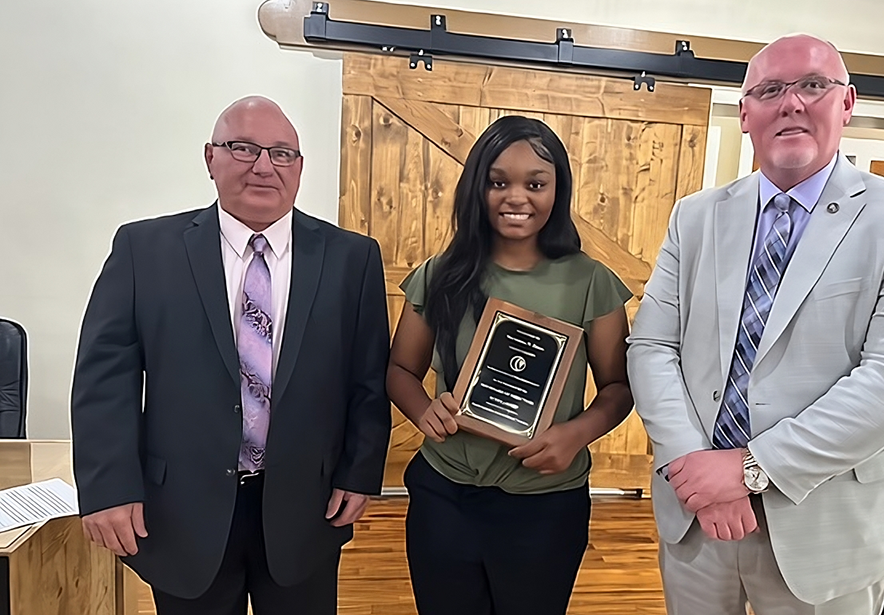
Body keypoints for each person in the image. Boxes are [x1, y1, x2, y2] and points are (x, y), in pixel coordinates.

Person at [628, 34, 884, 615]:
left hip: (827, 522)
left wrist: (750, 469)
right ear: (745, 114)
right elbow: (652, 345)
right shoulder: (695, 217)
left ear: (846, 103)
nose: (792, 103)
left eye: (813, 85)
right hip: (696, 512)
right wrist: (692, 464)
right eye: (771, 90)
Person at [71, 96, 390, 615]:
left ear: (299, 167)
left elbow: (367, 379)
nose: (264, 166)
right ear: (210, 157)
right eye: (244, 148)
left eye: (282, 153)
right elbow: (104, 380)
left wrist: (359, 471)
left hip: (306, 509)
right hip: (181, 509)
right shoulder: (144, 250)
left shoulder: (351, 258)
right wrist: (108, 487)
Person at [386, 115, 634, 615]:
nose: (516, 197)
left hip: (545, 502)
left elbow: (619, 387)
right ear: (476, 188)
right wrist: (424, 410)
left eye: (535, 184)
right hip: (445, 493)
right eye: (498, 182)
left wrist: (575, 435)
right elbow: (400, 371)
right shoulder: (440, 275)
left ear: (557, 191)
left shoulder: (591, 282)